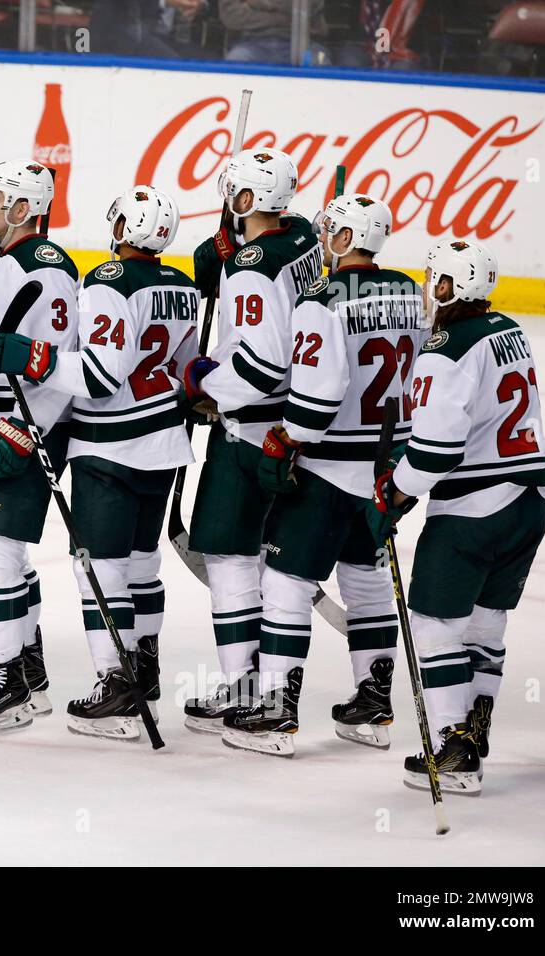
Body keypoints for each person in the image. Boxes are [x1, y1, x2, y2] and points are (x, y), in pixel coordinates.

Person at [0, 186, 199, 741]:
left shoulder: (108, 281)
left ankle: (117, 683)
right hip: (165, 445)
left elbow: (102, 377)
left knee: (101, 569)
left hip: (112, 448)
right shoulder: (181, 286)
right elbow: (186, 370)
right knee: (141, 564)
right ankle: (142, 668)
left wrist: (33, 358)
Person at [219, 193, 422, 757]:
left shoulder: (322, 299)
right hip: (386, 468)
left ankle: (277, 713)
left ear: (340, 238)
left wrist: (283, 439)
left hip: (329, 469)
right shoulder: (409, 291)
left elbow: (316, 401)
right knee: (366, 578)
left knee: (286, 584)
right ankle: (373, 706)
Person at [369, 238, 545, 795]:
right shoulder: (508, 328)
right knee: (486, 619)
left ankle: (453, 748)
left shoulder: (443, 349)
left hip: (474, 509)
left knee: (432, 625)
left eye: (437, 280)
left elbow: (437, 452)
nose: (431, 289)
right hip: (532, 498)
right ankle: (475, 729)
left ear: (452, 286)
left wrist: (394, 492)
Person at [179, 147, 322, 733]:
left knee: (229, 556)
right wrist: (226, 251)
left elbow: (259, 367)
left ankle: (245, 686)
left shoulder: (252, 268)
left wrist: (204, 380)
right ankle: (262, 685)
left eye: (230, 195)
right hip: (296, 425)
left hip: (249, 429)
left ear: (246, 201)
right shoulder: (306, 237)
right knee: (263, 555)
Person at [0, 160, 76, 735]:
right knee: (3, 553)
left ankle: (8, 676)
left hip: (24, 422)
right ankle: (28, 668)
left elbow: (52, 363)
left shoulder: (44, 269)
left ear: (24, 210)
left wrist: (30, 430)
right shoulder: (0, 259)